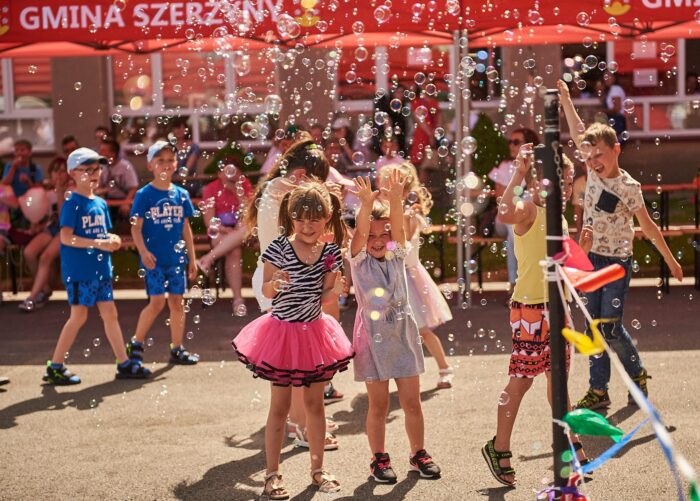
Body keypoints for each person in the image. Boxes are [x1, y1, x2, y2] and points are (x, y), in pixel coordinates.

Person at [559, 80, 684, 410]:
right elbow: (577, 132)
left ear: (616, 150)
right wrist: (567, 101)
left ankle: (637, 373)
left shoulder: (629, 187)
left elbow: (648, 226)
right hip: (591, 261)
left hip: (616, 263)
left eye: (600, 154)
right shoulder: (592, 171)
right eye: (591, 154)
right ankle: (598, 390)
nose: (595, 160)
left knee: (611, 328)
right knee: (593, 327)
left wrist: (670, 261)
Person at [232, 181, 353, 499]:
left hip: (313, 333)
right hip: (282, 335)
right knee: (280, 407)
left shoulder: (329, 255)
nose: (308, 225)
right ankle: (272, 475)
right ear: (290, 218)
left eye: (315, 218)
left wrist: (335, 290)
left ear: (327, 217)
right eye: (301, 218)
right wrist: (274, 282)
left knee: (316, 405)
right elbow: (267, 292)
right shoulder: (279, 248)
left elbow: (326, 296)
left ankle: (317, 470)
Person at [481, 146, 588, 488]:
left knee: (558, 382)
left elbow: (561, 267)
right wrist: (519, 173)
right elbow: (505, 210)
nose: (567, 186)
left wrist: (580, 247)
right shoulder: (530, 209)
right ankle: (498, 447)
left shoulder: (561, 218)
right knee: (522, 380)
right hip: (529, 310)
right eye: (562, 179)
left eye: (569, 180)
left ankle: (570, 444)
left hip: (557, 308)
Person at [349, 172, 442, 484]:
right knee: (378, 404)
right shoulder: (359, 261)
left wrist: (397, 200)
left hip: (402, 334)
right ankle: (379, 459)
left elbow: (399, 230)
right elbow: (360, 234)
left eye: (383, 235)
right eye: (371, 236)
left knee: (412, 402)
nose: (377, 241)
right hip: (372, 340)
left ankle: (419, 454)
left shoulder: (397, 255)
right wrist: (366, 203)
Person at [44, 148, 151, 385]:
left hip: (100, 269)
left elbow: (101, 234)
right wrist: (99, 243)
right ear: (73, 172)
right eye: (87, 170)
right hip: (80, 270)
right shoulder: (72, 202)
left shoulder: (100, 203)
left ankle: (123, 363)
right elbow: (65, 238)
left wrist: (111, 240)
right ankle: (56, 365)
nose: (94, 174)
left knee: (110, 314)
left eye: (97, 169)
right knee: (79, 316)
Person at [377, 162, 454, 388]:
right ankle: (395, 372)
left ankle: (444, 368)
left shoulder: (409, 214)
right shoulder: (380, 214)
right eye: (383, 184)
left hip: (408, 278)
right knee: (390, 330)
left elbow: (403, 245)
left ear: (404, 189)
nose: (385, 189)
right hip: (387, 279)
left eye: (391, 185)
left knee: (421, 329)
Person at [126, 141, 199, 366]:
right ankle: (136, 343)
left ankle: (177, 348)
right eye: (160, 161)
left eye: (170, 160)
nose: (166, 165)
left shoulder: (181, 194)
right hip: (153, 260)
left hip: (176, 259)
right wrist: (143, 252)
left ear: (177, 164)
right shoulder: (144, 195)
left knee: (177, 302)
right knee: (157, 302)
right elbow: (135, 228)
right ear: (150, 165)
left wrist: (192, 259)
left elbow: (185, 227)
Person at [18, 158, 74, 311]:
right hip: (53, 228)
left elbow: (64, 218)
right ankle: (45, 288)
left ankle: (32, 296)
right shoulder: (49, 190)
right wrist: (36, 225)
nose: (58, 175)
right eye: (55, 171)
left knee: (46, 257)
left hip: (68, 229)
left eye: (62, 171)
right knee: (29, 252)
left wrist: (61, 192)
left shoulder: (72, 190)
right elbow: (45, 213)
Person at [491, 128, 541, 287]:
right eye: (510, 142)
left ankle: (534, 281)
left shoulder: (539, 168)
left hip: (530, 215)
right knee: (514, 231)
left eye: (516, 142)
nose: (512, 145)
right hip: (506, 218)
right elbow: (501, 201)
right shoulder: (505, 166)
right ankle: (515, 283)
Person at [201, 163, 253, 314]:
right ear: (219, 174)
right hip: (220, 232)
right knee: (234, 251)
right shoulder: (211, 188)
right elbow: (209, 222)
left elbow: (250, 216)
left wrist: (238, 193)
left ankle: (208, 259)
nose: (232, 175)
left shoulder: (243, 185)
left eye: (236, 171)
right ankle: (238, 299)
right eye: (228, 171)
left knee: (244, 230)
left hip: (241, 231)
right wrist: (226, 230)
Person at [96, 139, 139, 220]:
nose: (100, 153)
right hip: (109, 201)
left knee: (126, 212)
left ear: (113, 153)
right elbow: (100, 187)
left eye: (103, 150)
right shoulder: (102, 167)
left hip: (123, 199)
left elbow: (133, 187)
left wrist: (126, 203)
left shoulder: (125, 166)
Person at [409, 86, 440, 184]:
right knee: (420, 164)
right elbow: (419, 120)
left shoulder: (434, 102)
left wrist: (434, 134)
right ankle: (420, 190)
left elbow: (439, 120)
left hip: (431, 135)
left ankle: (423, 189)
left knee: (427, 165)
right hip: (422, 135)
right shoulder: (417, 102)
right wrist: (431, 134)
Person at [172, 118, 202, 197]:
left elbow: (186, 170)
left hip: (188, 181)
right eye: (178, 127)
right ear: (172, 130)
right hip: (171, 181)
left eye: (183, 127)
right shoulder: (168, 148)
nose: (181, 130)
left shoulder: (193, 147)